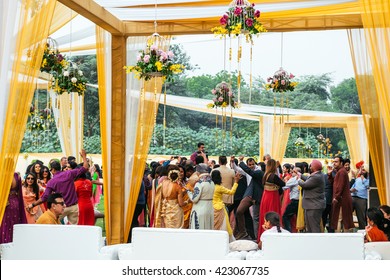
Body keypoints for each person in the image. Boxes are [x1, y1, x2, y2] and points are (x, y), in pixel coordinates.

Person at [27, 149, 89, 225]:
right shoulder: (69, 173)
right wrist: (84, 156)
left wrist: (32, 205)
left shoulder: (52, 181)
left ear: (52, 170)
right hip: (74, 207)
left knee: (52, 224)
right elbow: (85, 167)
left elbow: (44, 197)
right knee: (73, 229)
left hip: (61, 207)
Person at [258, 159, 285, 241]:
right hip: (273, 196)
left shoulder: (265, 175)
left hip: (265, 195)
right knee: (273, 213)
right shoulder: (273, 176)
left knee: (265, 214)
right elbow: (283, 184)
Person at [212, 170, 240, 241]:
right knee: (224, 226)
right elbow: (231, 192)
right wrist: (236, 182)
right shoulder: (219, 187)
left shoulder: (210, 187)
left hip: (211, 208)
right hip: (220, 208)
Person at [298, 160, 326, 233]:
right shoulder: (318, 175)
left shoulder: (316, 177)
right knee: (310, 227)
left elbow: (305, 185)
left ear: (314, 167)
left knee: (314, 227)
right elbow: (308, 179)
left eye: (311, 166)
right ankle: (312, 242)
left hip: (314, 205)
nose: (310, 167)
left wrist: (298, 179)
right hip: (312, 205)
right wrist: (300, 175)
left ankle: (316, 243)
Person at [328, 156, 354, 232]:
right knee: (342, 219)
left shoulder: (342, 172)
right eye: (333, 162)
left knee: (339, 219)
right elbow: (335, 183)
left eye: (336, 162)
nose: (334, 163)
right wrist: (330, 175)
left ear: (341, 163)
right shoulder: (340, 172)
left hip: (342, 200)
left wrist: (336, 197)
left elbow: (340, 186)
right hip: (342, 199)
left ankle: (339, 238)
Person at [0, 172, 27, 243]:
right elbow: (19, 194)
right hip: (15, 203)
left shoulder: (3, 174)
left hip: (6, 204)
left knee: (5, 226)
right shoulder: (16, 176)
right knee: (12, 226)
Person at [187, 163, 215, 230]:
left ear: (198, 172)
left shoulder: (199, 183)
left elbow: (194, 199)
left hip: (200, 209)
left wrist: (188, 192)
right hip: (210, 208)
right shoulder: (212, 183)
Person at [350, 164, 369, 229]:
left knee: (361, 218)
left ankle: (363, 232)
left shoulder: (368, 179)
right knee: (347, 215)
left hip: (362, 199)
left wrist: (363, 178)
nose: (361, 171)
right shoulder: (358, 179)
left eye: (363, 170)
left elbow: (367, 185)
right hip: (352, 197)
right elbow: (353, 186)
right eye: (361, 169)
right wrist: (351, 190)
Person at [282, 167, 301, 232]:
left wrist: (285, 180)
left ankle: (288, 232)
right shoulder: (304, 178)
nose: (291, 173)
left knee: (285, 217)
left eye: (293, 172)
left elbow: (284, 186)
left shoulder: (294, 179)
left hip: (295, 201)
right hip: (301, 201)